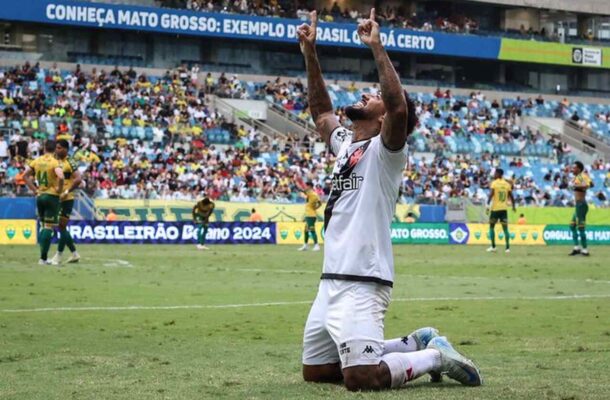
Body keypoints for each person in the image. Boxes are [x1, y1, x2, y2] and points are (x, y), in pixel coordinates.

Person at [297, 9, 481, 392]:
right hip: (329, 283)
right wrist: (310, 52)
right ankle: (414, 342)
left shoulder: (387, 152)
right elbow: (320, 113)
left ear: (383, 119)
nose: (367, 93)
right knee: (317, 373)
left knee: (361, 379)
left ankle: (435, 357)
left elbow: (400, 107)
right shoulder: (347, 144)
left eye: (375, 95)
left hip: (364, 281)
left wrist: (376, 46)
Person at [23, 140, 65, 265]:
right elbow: (61, 176)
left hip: (40, 196)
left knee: (43, 226)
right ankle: (43, 258)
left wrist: (34, 190)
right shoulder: (54, 162)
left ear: (44, 148)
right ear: (55, 149)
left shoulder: (37, 161)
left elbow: (24, 175)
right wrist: (59, 189)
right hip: (51, 196)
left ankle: (42, 256)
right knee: (48, 227)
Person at [50, 140, 82, 264]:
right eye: (56, 148)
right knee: (61, 227)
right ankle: (74, 254)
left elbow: (78, 179)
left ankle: (58, 255)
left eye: (59, 148)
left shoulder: (71, 162)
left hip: (66, 198)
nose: (56, 150)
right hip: (55, 196)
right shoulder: (53, 160)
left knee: (62, 226)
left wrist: (67, 191)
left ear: (65, 149)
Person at [487, 168, 516, 253]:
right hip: (504, 210)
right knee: (505, 229)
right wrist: (513, 206)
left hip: (495, 209)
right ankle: (507, 248)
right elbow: (512, 196)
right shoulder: (507, 184)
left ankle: (493, 247)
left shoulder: (494, 183)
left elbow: (491, 195)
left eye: (495, 173)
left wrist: (487, 204)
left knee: (491, 227)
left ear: (499, 174)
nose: (494, 175)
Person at [569, 161, 592, 256]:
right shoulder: (576, 177)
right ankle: (576, 248)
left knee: (581, 227)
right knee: (572, 225)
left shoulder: (583, 176)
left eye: (574, 168)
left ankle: (585, 249)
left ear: (579, 169)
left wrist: (575, 186)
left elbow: (588, 185)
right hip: (578, 205)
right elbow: (590, 184)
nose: (572, 169)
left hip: (581, 204)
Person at [298, 181, 321, 251]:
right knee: (306, 230)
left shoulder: (310, 193)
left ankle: (316, 245)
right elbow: (320, 203)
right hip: (311, 214)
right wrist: (315, 208)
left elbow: (302, 190)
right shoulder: (314, 194)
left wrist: (296, 182)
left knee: (312, 230)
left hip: (310, 215)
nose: (306, 187)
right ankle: (305, 245)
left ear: (310, 186)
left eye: (307, 185)